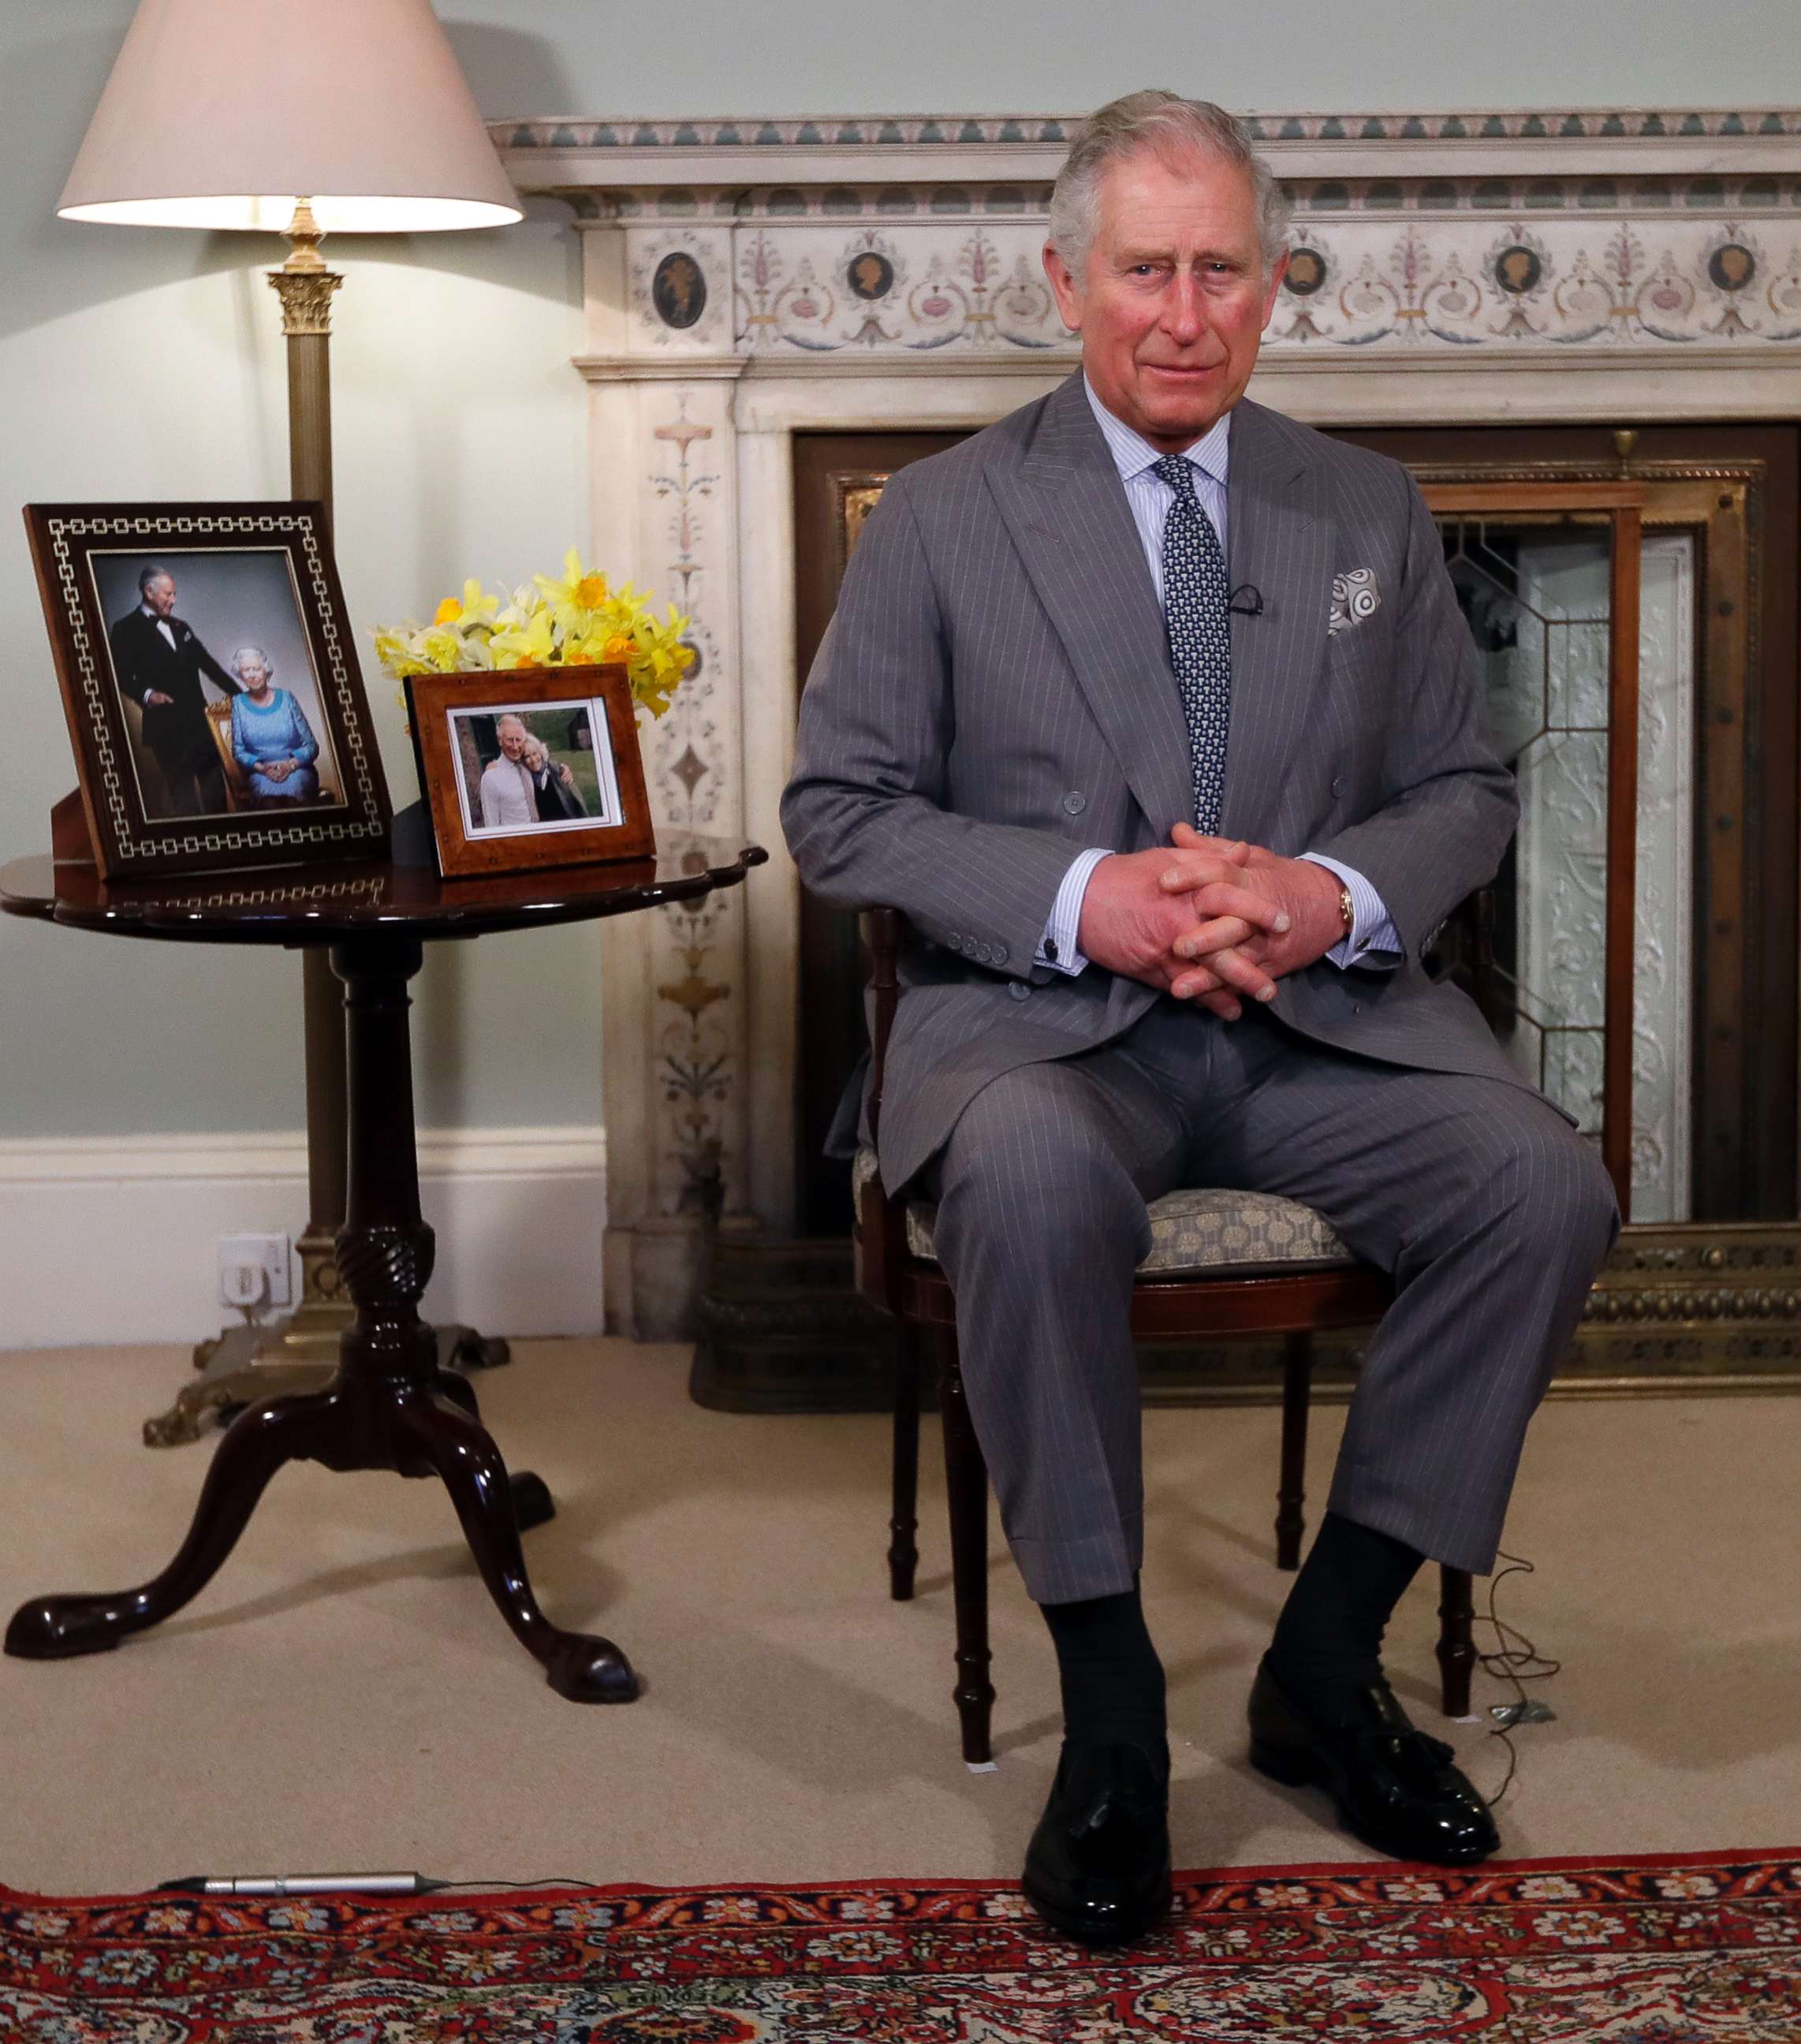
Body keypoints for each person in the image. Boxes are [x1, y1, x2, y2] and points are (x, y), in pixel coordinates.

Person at [781, 90, 1619, 1945]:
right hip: (1040, 1033)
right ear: (1068, 279)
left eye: (1218, 270)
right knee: (1019, 1184)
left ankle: (1324, 1661)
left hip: (1321, 1021)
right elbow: (836, 810)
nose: (1180, 311)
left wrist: (1324, 893)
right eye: (1142, 269)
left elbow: (1462, 788)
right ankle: (1117, 1709)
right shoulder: (937, 517)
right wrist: (1100, 899)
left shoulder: (1365, 506)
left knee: (1541, 1188)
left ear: (1273, 285)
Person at [108, 565, 241, 817]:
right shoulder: (125, 629)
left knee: (216, 797)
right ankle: (196, 854)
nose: (174, 600)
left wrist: (242, 697)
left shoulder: (181, 627)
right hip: (166, 728)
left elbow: (209, 665)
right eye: (169, 594)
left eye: (175, 594)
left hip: (201, 725)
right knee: (184, 799)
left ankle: (224, 850)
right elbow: (118, 675)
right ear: (149, 591)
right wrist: (147, 694)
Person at [227, 647, 321, 804]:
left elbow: (312, 746)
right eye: (246, 670)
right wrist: (262, 768)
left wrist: (290, 765)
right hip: (261, 774)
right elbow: (238, 751)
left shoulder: (287, 699)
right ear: (240, 676)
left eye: (256, 669)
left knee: (294, 797)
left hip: (297, 770)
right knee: (268, 802)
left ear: (266, 670)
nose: (252, 674)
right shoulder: (238, 703)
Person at [477, 713, 540, 827]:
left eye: (518, 740)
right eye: (510, 740)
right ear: (500, 741)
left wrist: (564, 770)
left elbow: (545, 765)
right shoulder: (491, 777)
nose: (515, 747)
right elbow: (491, 825)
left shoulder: (528, 764)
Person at [521, 733, 587, 821]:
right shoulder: (525, 780)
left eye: (534, 753)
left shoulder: (558, 770)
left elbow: (577, 803)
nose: (533, 759)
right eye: (527, 756)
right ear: (522, 760)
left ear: (540, 753)